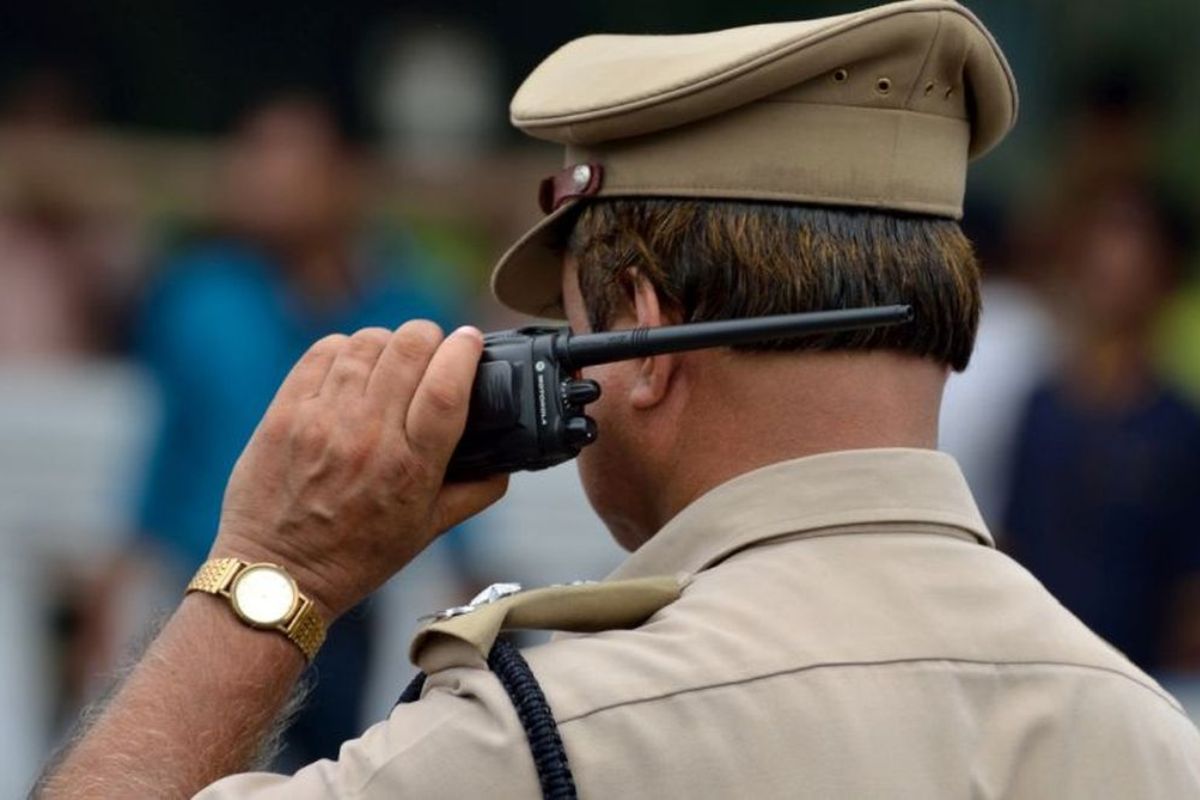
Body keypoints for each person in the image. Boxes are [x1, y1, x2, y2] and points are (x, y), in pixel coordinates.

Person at [37, 2, 1200, 798]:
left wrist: (270, 570)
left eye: (573, 323)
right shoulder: (1147, 736)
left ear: (641, 334)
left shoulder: (543, 737)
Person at [118, 93, 461, 766]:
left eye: (289, 153)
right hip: (205, 588)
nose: (267, 175)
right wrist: (122, 573)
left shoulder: (414, 306)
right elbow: (163, 450)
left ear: (345, 172)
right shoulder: (194, 298)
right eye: (255, 153)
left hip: (367, 598)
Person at [1004, 181, 1200, 673]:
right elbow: (1014, 545)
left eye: (1131, 254)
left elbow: (1189, 593)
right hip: (1039, 673)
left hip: (1145, 687)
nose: (1110, 273)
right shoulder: (1041, 408)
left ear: (1165, 277)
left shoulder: (1177, 427)